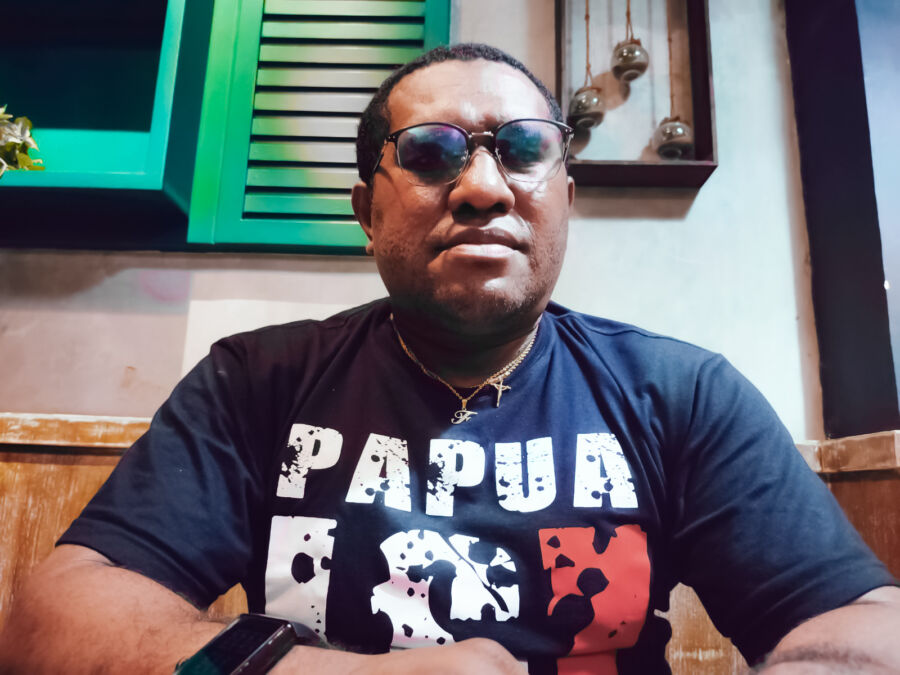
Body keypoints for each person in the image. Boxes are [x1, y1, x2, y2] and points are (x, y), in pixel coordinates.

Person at [0, 43, 898, 675]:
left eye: (523, 149)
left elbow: (868, 622)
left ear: (564, 199)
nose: (482, 186)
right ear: (367, 211)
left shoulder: (681, 394)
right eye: (431, 153)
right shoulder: (255, 382)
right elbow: (56, 620)